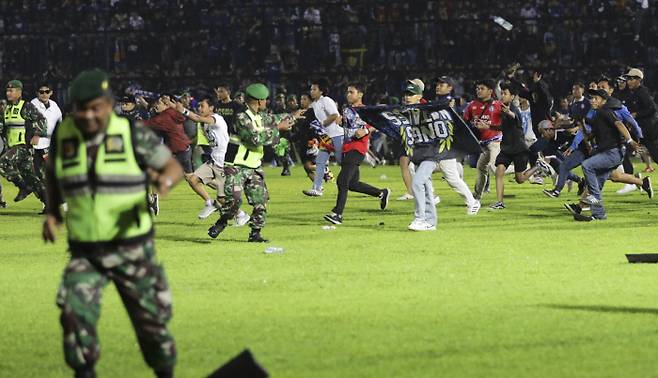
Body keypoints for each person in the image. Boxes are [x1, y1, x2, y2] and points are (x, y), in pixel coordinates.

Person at [43, 69, 182, 378]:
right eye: (82, 108)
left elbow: (172, 165)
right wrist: (52, 213)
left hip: (131, 247)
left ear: (108, 104)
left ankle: (165, 371)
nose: (89, 115)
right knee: (74, 314)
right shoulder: (64, 134)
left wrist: (164, 182)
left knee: (151, 324)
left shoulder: (132, 133)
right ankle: (84, 371)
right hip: (85, 250)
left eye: (96, 108)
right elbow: (52, 173)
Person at [208, 83, 302, 242]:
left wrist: (294, 115)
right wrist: (279, 128)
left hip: (254, 167)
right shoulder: (242, 116)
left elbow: (275, 118)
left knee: (260, 201)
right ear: (259, 101)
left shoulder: (260, 115)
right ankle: (222, 222)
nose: (266, 102)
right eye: (265, 100)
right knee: (234, 201)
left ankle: (255, 234)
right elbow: (254, 139)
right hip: (236, 165)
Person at [175, 96, 250, 224]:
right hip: (213, 161)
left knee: (222, 199)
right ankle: (209, 203)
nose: (199, 108)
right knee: (192, 179)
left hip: (223, 164)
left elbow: (197, 118)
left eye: (202, 106)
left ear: (211, 108)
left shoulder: (217, 119)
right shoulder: (205, 123)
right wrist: (173, 106)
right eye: (198, 106)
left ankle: (241, 214)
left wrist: (184, 111)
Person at [324, 83, 390, 225]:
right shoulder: (347, 109)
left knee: (342, 181)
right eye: (347, 92)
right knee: (352, 184)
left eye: (351, 92)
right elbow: (348, 126)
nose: (348, 94)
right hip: (347, 147)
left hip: (358, 148)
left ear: (360, 94)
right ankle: (381, 193)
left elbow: (379, 122)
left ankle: (337, 214)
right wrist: (340, 122)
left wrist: (366, 131)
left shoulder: (366, 110)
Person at [574, 89, 639, 221]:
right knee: (598, 181)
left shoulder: (605, 111)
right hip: (611, 152)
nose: (592, 100)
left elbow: (619, 124)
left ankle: (595, 198)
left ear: (603, 100)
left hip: (613, 152)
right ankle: (599, 214)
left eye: (595, 98)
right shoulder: (598, 115)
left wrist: (630, 140)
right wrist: (582, 125)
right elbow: (591, 136)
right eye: (591, 98)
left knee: (587, 166)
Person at [489, 85, 547, 209]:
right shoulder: (504, 110)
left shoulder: (514, 109)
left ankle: (538, 166)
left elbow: (516, 119)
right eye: (502, 93)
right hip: (506, 148)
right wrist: (488, 126)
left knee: (520, 179)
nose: (502, 95)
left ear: (512, 96)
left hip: (519, 149)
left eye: (505, 93)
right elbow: (502, 127)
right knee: (499, 171)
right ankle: (500, 202)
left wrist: (509, 112)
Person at [0, 79, 48, 206]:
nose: (8, 93)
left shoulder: (26, 106)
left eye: (11, 90)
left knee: (2, 163)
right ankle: (49, 204)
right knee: (31, 178)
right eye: (7, 90)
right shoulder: (6, 109)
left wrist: (37, 135)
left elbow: (41, 120)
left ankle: (23, 186)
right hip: (12, 147)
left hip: (23, 146)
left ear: (19, 92)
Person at [463, 79, 503, 201]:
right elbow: (464, 121)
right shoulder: (471, 105)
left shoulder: (497, 105)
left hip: (495, 141)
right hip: (483, 143)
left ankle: (523, 169)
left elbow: (505, 125)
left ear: (490, 91)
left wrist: (489, 127)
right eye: (477, 88)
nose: (478, 91)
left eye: (482, 88)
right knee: (481, 167)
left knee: (493, 167)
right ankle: (477, 196)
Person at [303, 79, 343, 197]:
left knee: (342, 162)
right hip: (326, 137)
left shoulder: (326, 100)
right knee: (320, 162)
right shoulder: (315, 104)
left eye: (314, 89)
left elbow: (335, 115)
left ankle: (353, 182)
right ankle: (317, 188)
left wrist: (323, 124)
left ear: (321, 91)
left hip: (337, 135)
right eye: (311, 89)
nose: (311, 91)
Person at [30, 83, 63, 213]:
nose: (44, 94)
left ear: (51, 92)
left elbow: (60, 122)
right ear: (37, 93)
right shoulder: (33, 104)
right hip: (35, 146)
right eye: (41, 91)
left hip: (50, 146)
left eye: (46, 91)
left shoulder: (54, 106)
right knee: (37, 177)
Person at [396, 78, 427, 201]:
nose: (407, 96)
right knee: (404, 163)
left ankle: (429, 194)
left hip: (421, 141)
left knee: (423, 166)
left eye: (412, 87)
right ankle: (410, 192)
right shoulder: (405, 105)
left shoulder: (425, 105)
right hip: (408, 139)